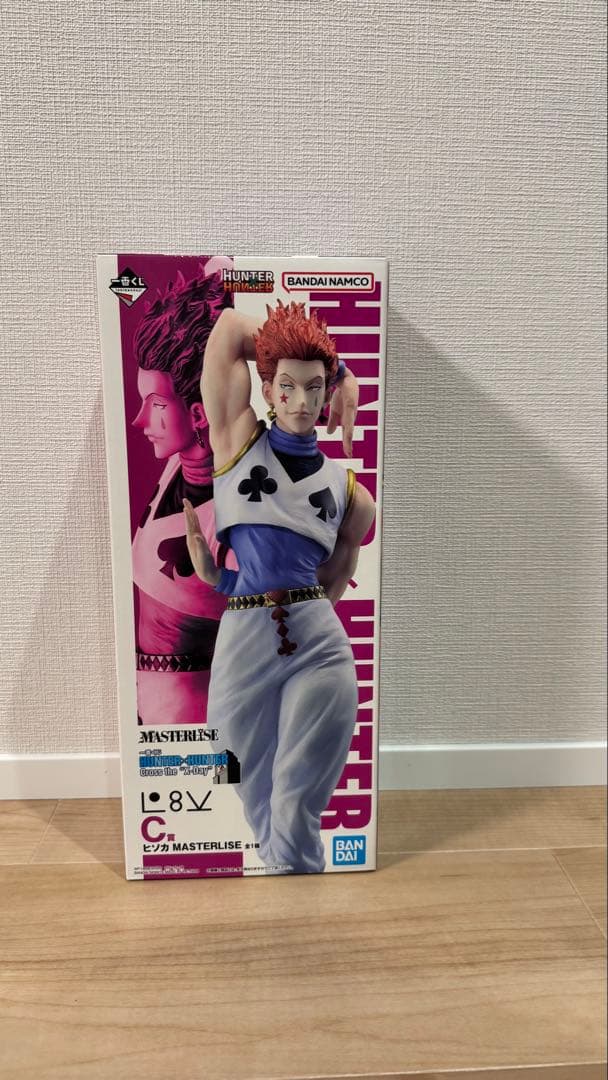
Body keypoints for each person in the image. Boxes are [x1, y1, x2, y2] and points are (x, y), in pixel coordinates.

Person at [184, 300, 375, 873]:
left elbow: (329, 586)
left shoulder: (353, 496)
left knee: (296, 795)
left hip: (319, 648)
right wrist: (343, 367)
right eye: (286, 386)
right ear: (266, 389)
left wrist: (333, 371)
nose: (300, 402)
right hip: (245, 637)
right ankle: (279, 866)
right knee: (234, 763)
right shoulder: (237, 441)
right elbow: (227, 330)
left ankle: (296, 885)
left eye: (315, 388)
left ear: (325, 394)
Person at [131, 265, 235, 725]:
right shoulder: (179, 463)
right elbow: (222, 272)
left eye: (155, 405)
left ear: (198, 414)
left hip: (195, 712)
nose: (140, 420)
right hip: (147, 702)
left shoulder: (241, 508)